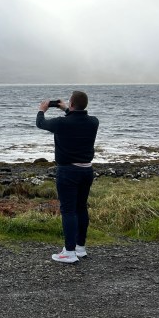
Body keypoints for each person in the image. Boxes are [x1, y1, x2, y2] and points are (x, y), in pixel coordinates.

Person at [36, 90, 99, 264]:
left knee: (69, 211)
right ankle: (80, 248)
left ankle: (69, 252)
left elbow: (40, 123)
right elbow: (76, 119)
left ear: (71, 104)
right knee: (81, 208)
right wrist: (66, 109)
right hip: (87, 171)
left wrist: (42, 109)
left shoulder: (61, 124)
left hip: (68, 172)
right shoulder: (93, 122)